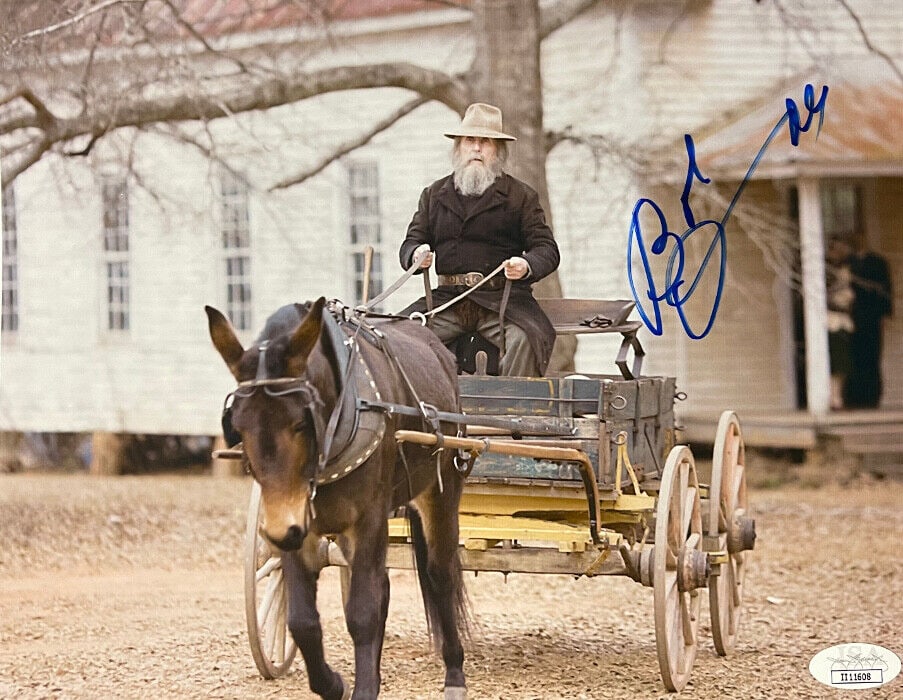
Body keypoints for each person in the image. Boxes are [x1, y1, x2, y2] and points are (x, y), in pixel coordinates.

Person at [398, 103, 560, 377]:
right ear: (458, 148)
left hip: (502, 301)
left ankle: (514, 410)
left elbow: (546, 249)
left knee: (526, 339)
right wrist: (417, 254)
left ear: (497, 150)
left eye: (485, 142)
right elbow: (411, 241)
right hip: (447, 302)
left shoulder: (520, 196)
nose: (476, 148)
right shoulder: (434, 195)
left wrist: (525, 264)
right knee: (397, 336)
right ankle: (422, 409)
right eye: (470, 141)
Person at [845, 231, 893, 408]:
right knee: (853, 356)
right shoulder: (847, 263)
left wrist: (885, 314)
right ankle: (854, 398)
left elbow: (886, 289)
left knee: (872, 356)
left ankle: (872, 398)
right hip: (851, 316)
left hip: (872, 316)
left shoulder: (878, 262)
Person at [824, 237, 854, 410]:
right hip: (831, 320)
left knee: (842, 363)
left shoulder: (846, 268)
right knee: (833, 362)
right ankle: (832, 397)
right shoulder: (826, 271)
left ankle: (837, 396)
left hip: (843, 322)